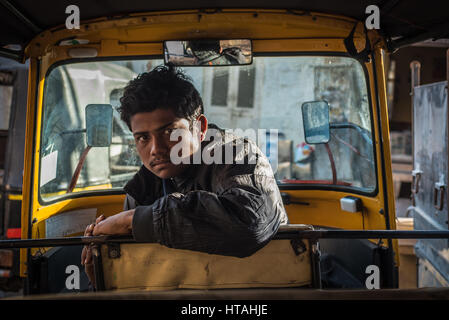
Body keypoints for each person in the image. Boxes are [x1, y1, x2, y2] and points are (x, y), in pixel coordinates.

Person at [81, 64, 288, 287]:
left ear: (199, 128)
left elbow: (250, 223)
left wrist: (132, 221)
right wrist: (103, 276)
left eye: (169, 132)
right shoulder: (143, 187)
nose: (155, 149)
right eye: (143, 138)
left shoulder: (237, 156)